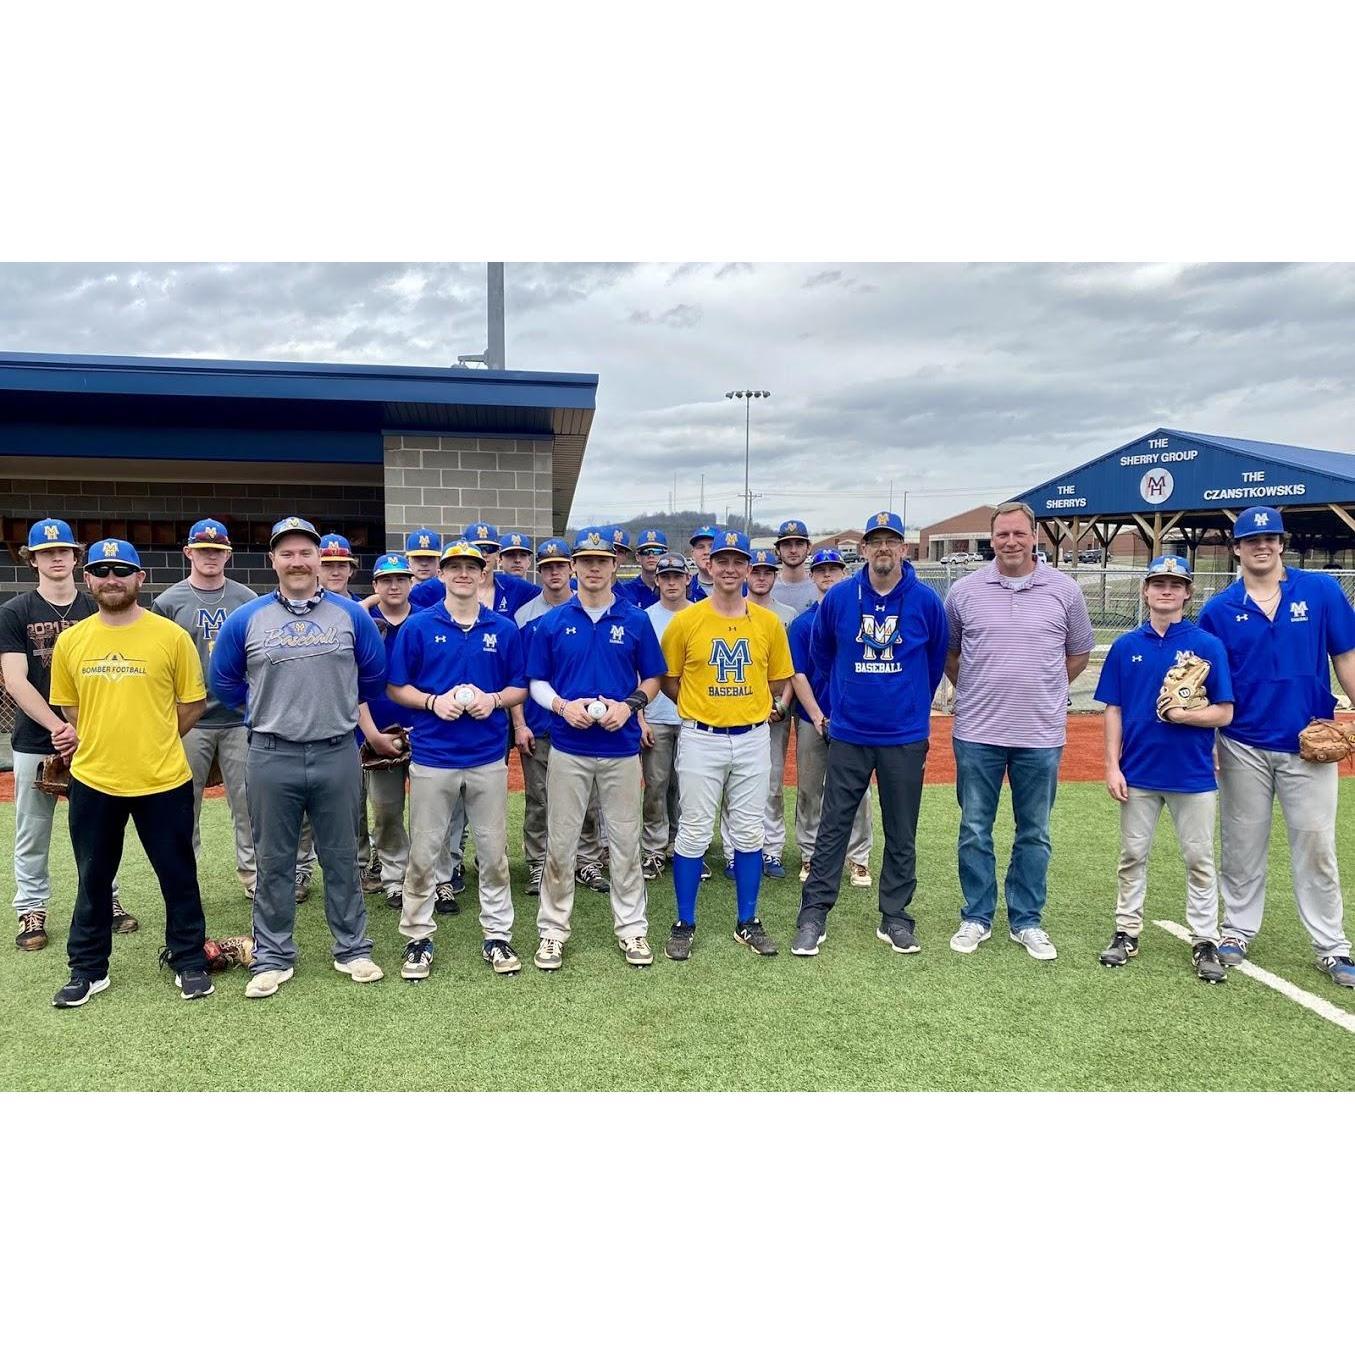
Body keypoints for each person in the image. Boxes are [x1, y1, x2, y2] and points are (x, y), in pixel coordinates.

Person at [209, 515, 387, 998]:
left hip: (336, 751)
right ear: (273, 560)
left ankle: (353, 949)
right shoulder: (248, 618)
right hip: (271, 753)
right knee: (273, 860)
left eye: (306, 552)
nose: (297, 561)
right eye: (286, 553)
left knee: (342, 857)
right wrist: (266, 709)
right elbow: (222, 681)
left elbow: (373, 676)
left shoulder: (351, 616)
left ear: (319, 558)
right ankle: (272, 956)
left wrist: (334, 704)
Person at [48, 539, 214, 1006]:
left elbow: (193, 704)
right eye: (101, 571)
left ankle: (188, 959)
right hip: (94, 779)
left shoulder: (170, 636)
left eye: (122, 570)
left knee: (178, 875)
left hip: (163, 779)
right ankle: (88, 969)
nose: (111, 579)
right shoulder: (72, 641)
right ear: (87, 579)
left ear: (140, 578)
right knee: (92, 878)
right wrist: (109, 739)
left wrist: (153, 736)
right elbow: (70, 708)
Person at [1198, 505, 1355, 989]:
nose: (1262, 545)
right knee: (1242, 843)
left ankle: (1331, 945)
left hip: (1308, 739)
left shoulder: (1320, 591)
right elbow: (1208, 682)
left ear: (1282, 543)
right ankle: (1237, 929)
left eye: (1270, 538)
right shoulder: (1218, 609)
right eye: (1252, 539)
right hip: (1242, 741)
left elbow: (1345, 656)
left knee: (1316, 843)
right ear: (1237, 549)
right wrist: (1210, 740)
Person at [790, 512, 949, 959]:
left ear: (903, 548)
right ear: (862, 550)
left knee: (901, 828)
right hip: (850, 732)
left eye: (891, 541)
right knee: (833, 826)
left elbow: (935, 660)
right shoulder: (841, 598)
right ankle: (813, 914)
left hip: (904, 735)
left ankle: (895, 916)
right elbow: (823, 654)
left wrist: (908, 704)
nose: (883, 548)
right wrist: (848, 697)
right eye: (875, 541)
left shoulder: (925, 601)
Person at [942, 501, 1094, 961]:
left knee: (1035, 832)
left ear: (1034, 537)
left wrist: (1044, 689)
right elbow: (950, 653)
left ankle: (1026, 920)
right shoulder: (964, 591)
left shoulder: (1065, 590)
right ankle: (977, 915)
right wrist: (976, 689)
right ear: (992, 539)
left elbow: (1079, 653)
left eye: (1019, 533)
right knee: (974, 829)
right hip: (977, 731)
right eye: (1002, 534)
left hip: (1040, 735)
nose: (1010, 542)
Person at [386, 541, 528, 982]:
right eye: (455, 567)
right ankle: (417, 937)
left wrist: (495, 700)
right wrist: (432, 702)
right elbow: (396, 687)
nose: (463, 573)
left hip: (487, 755)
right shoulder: (419, 626)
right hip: (434, 755)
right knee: (425, 850)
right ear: (442, 574)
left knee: (493, 852)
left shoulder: (502, 628)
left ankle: (498, 935)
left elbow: (520, 686)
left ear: (483, 573)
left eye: (471, 567)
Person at [527, 529, 664, 971]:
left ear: (614, 566)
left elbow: (653, 677)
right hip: (569, 745)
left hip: (620, 747)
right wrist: (562, 707)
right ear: (573, 567)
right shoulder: (552, 622)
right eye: (585, 560)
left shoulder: (635, 619)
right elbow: (537, 682)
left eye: (601, 561)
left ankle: (632, 928)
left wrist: (630, 706)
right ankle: (552, 931)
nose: (593, 568)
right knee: (561, 842)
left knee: (625, 841)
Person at [1094, 557, 1234, 983]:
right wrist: (1112, 765)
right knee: (1132, 855)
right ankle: (1127, 930)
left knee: (1199, 858)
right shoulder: (1125, 646)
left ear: (1188, 593)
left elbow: (1225, 712)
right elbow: (1114, 709)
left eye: (1175, 584)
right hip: (1138, 770)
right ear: (1146, 591)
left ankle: (1205, 939)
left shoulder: (1206, 645)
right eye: (1158, 583)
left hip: (1192, 772)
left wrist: (1183, 715)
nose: (1166, 590)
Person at [2, 519, 136, 951]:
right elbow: (14, 679)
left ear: (77, 558)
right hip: (36, 738)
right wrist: (58, 726)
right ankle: (31, 909)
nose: (55, 557)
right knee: (32, 829)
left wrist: (83, 728)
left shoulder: (98, 606)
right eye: (46, 552)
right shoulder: (16, 611)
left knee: (100, 827)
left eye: (63, 550)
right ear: (32, 560)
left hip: (94, 737)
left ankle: (105, 901)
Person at [660, 530, 794, 961]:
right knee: (695, 831)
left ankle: (747, 920)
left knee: (750, 831)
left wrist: (743, 706)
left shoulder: (768, 623)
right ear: (709, 565)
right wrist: (701, 707)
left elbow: (778, 680)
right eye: (722, 561)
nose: (730, 569)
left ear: (749, 568)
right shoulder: (687, 620)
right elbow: (669, 680)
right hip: (702, 737)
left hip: (752, 736)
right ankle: (685, 922)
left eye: (738, 561)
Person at [150, 518, 258, 903]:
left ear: (228, 554)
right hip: (189, 719)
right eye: (202, 549)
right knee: (183, 803)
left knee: (247, 802)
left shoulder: (247, 599)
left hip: (239, 717)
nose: (210, 556)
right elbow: (158, 662)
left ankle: (254, 877)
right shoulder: (168, 602)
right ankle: (185, 881)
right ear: (188, 552)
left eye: (217, 550)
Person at [511, 537, 607, 895]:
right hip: (539, 721)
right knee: (539, 799)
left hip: (585, 724)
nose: (554, 572)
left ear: (571, 569)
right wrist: (519, 724)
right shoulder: (524, 616)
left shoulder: (592, 610)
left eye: (560, 566)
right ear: (540, 571)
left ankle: (587, 860)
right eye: (547, 567)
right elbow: (518, 678)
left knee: (588, 798)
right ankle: (539, 862)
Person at [787, 548, 874, 889]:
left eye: (833, 569)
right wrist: (818, 716)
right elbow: (798, 674)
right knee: (810, 789)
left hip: (854, 720)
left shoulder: (859, 619)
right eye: (821, 569)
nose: (827, 574)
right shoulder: (803, 623)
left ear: (844, 573)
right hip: (813, 717)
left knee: (859, 791)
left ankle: (858, 857)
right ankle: (809, 853)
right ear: (812, 575)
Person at [360, 552, 417, 910]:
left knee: (430, 813)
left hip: (424, 732)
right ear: (375, 585)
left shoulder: (427, 620)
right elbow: (352, 684)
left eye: (400, 579)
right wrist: (371, 735)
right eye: (386, 580)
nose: (394, 585)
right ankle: (395, 878)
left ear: (411, 583)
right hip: (379, 732)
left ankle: (429, 877)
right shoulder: (363, 624)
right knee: (386, 811)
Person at [639, 553, 690, 880]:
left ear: (688, 579)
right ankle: (654, 849)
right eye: (665, 577)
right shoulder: (644, 618)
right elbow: (636, 670)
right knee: (656, 786)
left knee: (688, 788)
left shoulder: (701, 613)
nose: (671, 582)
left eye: (677, 576)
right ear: (656, 580)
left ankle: (684, 848)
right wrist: (640, 718)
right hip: (656, 713)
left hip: (692, 715)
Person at [771, 519, 819, 614]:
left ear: (808, 548)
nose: (793, 550)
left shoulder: (820, 587)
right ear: (777, 550)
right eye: (786, 545)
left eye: (799, 544)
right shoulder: (767, 589)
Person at [620, 529, 667, 609]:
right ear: (638, 557)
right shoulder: (625, 591)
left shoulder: (674, 589)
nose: (651, 556)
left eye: (657, 551)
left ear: (666, 555)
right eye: (645, 551)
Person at [686, 524, 718, 601]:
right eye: (700, 547)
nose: (706, 552)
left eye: (711, 546)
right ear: (692, 554)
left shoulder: (740, 589)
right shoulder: (684, 589)